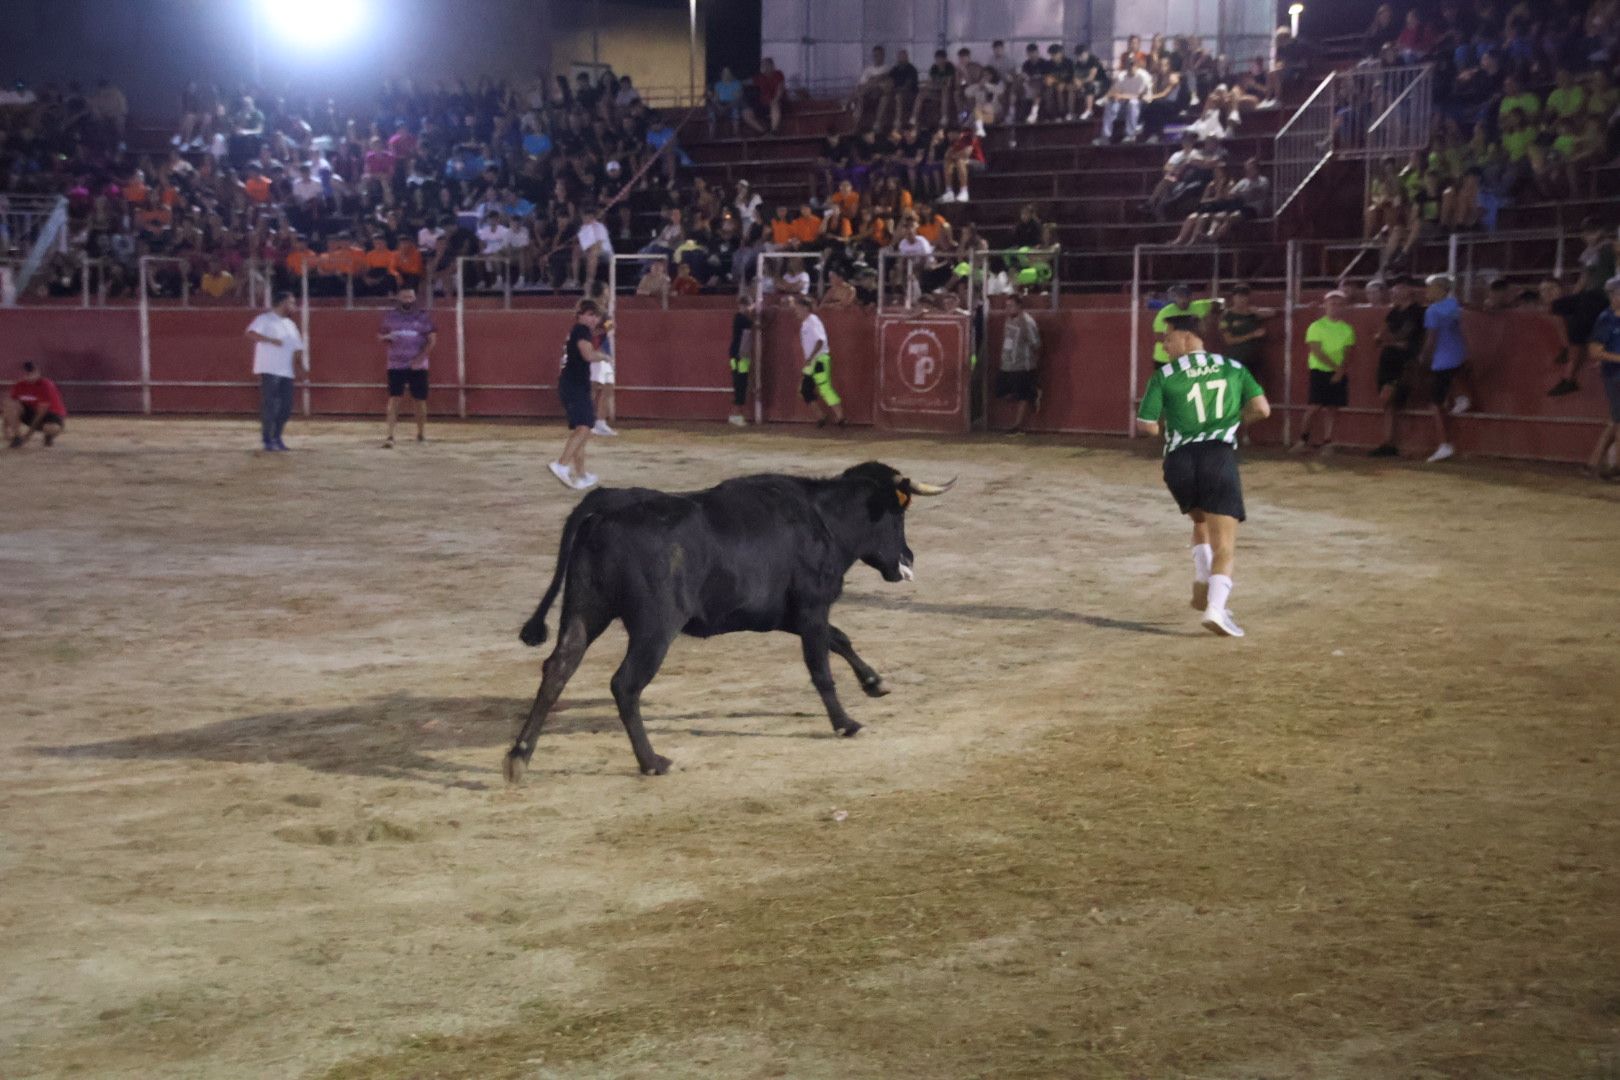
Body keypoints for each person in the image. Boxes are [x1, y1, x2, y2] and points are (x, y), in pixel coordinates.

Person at [1136, 316, 1271, 638]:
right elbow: (1262, 410)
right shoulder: (1233, 367)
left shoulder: (1165, 375)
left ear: (1186, 337)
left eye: (1167, 338)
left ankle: (1201, 578)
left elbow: (1147, 426)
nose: (1164, 345)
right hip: (1217, 456)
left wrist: (1171, 430)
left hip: (1178, 462)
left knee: (1199, 521)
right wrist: (1233, 421)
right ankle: (1215, 609)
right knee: (1225, 544)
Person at [551, 300, 609, 490]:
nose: (594, 319)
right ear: (581, 315)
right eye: (590, 314)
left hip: (574, 385)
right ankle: (561, 464)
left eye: (596, 316)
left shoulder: (579, 331)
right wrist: (605, 356)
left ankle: (582, 475)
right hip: (574, 385)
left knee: (582, 430)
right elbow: (589, 355)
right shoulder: (582, 330)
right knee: (584, 427)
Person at [1292, 289, 1355, 455]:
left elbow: (1348, 353)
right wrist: (1338, 370)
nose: (1335, 307)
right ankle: (1303, 439)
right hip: (1320, 371)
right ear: (1325, 305)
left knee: (1332, 408)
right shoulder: (1316, 326)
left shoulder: (1347, 329)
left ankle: (1328, 441)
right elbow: (1317, 351)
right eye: (1332, 303)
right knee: (1314, 406)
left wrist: (1341, 371)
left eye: (1339, 304)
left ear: (1343, 307)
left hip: (1338, 371)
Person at [1370, 275, 1425, 458]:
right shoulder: (1394, 312)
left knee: (1389, 399)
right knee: (1388, 403)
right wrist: (1387, 340)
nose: (1394, 292)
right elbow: (1380, 336)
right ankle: (1388, 443)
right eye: (1393, 289)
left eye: (1399, 288)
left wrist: (1386, 340)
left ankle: (1389, 442)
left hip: (1404, 363)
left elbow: (1403, 338)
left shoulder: (1417, 312)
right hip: (1389, 361)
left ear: (1409, 290)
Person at [246, 292, 306, 452]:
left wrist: (300, 367)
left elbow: (298, 348)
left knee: (286, 406)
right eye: (291, 303)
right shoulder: (265, 319)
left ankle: (277, 436)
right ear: (282, 303)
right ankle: (268, 439)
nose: (294, 306)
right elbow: (250, 333)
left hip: (286, 370)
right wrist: (271, 340)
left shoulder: (290, 324)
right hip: (269, 368)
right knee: (270, 405)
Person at [377, 286, 436, 448]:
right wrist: (385, 337)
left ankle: (421, 434)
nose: (408, 300)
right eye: (405, 297)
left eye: (410, 297)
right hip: (396, 363)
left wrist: (420, 358)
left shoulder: (423, 317)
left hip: (418, 365)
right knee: (395, 398)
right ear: (398, 298)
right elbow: (380, 336)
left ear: (415, 298)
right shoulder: (390, 317)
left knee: (420, 399)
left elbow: (432, 340)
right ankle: (390, 435)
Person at [1418, 274, 1466, 463]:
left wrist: (1424, 358)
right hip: (1458, 356)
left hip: (1442, 360)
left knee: (1435, 403)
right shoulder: (1454, 304)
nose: (1427, 291)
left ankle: (1445, 444)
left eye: (1430, 287)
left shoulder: (1433, 310)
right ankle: (1463, 399)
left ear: (1440, 289)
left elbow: (1431, 338)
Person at [1584, 275, 1620, 478]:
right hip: (1615, 374)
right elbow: (1595, 352)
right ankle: (1616, 469)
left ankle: (1594, 463)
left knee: (1616, 420)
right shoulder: (1606, 319)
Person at [792, 294, 844, 427]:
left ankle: (840, 417)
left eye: (797, 308)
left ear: (805, 308)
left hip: (819, 359)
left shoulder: (812, 321)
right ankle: (821, 417)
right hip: (814, 361)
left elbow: (820, 341)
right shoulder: (807, 322)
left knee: (825, 388)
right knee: (805, 390)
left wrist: (809, 358)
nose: (796, 311)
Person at [996, 293, 1042, 433]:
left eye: (1011, 306)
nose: (1008, 308)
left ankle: (1017, 426)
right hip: (1008, 364)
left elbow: (1036, 344)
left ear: (1019, 306)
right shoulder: (1009, 320)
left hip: (1022, 365)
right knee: (1003, 393)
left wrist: (1032, 361)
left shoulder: (1026, 322)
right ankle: (1034, 394)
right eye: (1007, 306)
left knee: (1022, 395)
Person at [5, 362, 67, 449]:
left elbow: (40, 413)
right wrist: (5, 430)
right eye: (27, 373)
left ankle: (49, 436)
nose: (30, 376)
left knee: (50, 428)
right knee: (10, 403)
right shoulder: (20, 385)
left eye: (32, 373)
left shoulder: (46, 385)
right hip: (32, 412)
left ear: (37, 372)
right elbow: (9, 407)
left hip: (51, 415)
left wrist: (28, 435)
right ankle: (17, 437)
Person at [1152, 283, 1215, 363]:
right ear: (1175, 298)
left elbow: (1218, 303)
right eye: (1180, 296)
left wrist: (1209, 318)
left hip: (1188, 357)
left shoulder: (1199, 306)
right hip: (1165, 358)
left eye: (1186, 296)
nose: (1183, 300)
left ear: (1191, 297)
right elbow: (1158, 335)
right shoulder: (1165, 312)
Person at [1095, 54, 1150, 145]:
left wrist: (1122, 96)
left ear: (1137, 64)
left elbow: (1140, 96)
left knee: (1133, 103)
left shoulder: (1143, 76)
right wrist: (1112, 96)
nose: (1131, 66)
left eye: (1133, 64)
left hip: (1141, 108)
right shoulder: (1122, 76)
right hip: (1123, 107)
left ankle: (1130, 135)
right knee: (1110, 104)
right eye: (1129, 64)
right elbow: (1114, 90)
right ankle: (1105, 136)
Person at [728, 294, 754, 427]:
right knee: (740, 384)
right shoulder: (741, 318)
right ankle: (735, 415)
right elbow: (756, 325)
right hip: (740, 357)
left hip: (738, 356)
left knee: (740, 384)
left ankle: (736, 415)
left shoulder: (739, 318)